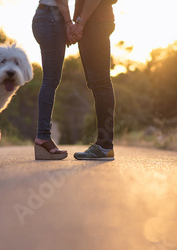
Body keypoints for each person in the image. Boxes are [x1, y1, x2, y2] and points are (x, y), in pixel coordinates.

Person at [69, 0, 116, 161]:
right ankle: (104, 145)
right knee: (98, 83)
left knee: (101, 83)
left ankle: (104, 145)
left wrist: (80, 22)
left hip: (95, 22)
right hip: (95, 22)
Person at [32, 0, 74, 160]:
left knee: (51, 80)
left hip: (47, 17)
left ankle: (43, 136)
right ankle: (43, 136)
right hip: (52, 18)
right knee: (50, 80)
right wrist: (69, 23)